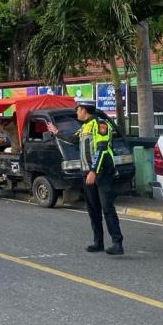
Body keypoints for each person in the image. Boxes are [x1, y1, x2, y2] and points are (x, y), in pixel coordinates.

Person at [48, 99, 123, 255]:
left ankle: (117, 243)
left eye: (78, 109)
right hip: (87, 173)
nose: (76, 112)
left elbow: (102, 148)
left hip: (102, 173)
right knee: (93, 209)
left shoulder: (100, 124)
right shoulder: (84, 127)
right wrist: (56, 132)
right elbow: (73, 140)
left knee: (107, 208)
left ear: (84, 109)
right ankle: (98, 242)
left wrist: (94, 171)